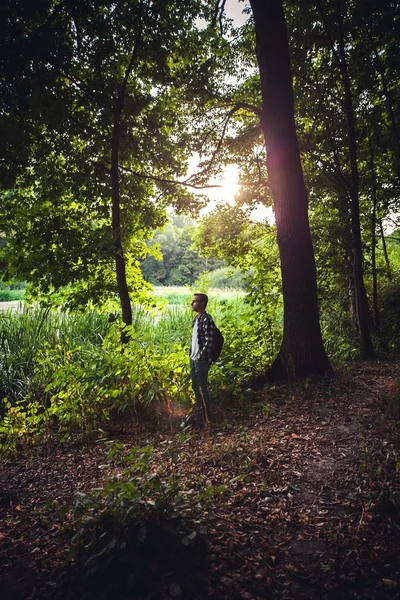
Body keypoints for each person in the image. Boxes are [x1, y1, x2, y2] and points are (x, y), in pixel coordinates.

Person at [189, 292, 217, 427]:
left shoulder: (207, 320)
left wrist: (200, 357)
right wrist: (191, 354)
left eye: (194, 301)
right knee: (195, 386)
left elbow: (210, 342)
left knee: (201, 387)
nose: (192, 304)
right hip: (193, 359)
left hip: (201, 360)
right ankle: (201, 412)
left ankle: (206, 414)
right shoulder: (196, 319)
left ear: (202, 304)